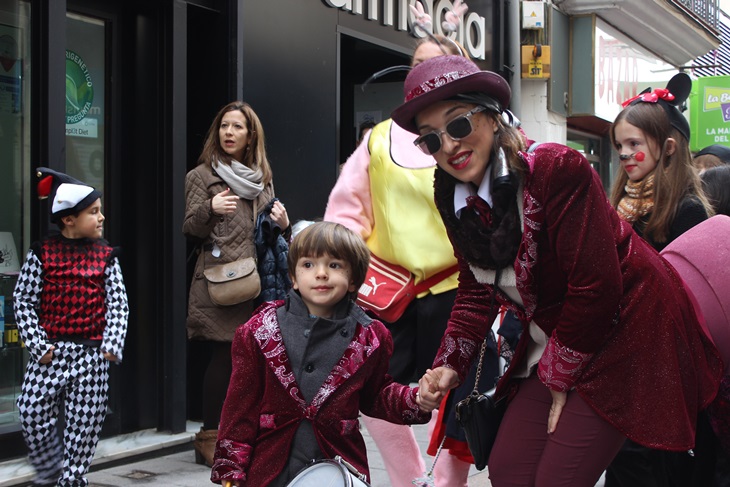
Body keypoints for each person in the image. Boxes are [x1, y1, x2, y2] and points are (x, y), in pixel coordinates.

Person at [392, 55, 723, 487]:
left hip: (629, 334)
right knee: (510, 469)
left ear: (493, 118)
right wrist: (447, 366)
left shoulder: (554, 167)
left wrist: (558, 378)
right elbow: (476, 290)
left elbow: (596, 288)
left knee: (559, 479)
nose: (449, 146)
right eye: (431, 140)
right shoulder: (451, 193)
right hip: (562, 339)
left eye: (457, 125)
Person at [324, 34, 487, 487]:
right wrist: (339, 269)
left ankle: (448, 482)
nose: (423, 74)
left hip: (460, 287)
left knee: (460, 397)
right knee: (371, 389)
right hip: (387, 290)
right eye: (416, 65)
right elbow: (347, 209)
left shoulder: (473, 132)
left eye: (435, 65)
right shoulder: (378, 139)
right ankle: (408, 477)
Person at [210, 221, 434, 486]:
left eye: (334, 265)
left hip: (338, 467)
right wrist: (231, 470)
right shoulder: (259, 332)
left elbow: (376, 395)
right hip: (270, 471)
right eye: (308, 264)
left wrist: (416, 399)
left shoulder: (369, 338)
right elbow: (239, 408)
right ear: (293, 277)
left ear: (353, 281)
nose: (321, 274)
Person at [604, 75, 717, 487]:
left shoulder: (687, 212)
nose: (625, 155)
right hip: (619, 363)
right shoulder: (616, 204)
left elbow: (687, 303)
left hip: (663, 372)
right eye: (620, 146)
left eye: (635, 144)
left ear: (668, 145)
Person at [183, 101, 290, 466]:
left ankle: (240, 434)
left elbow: (266, 234)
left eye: (237, 127)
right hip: (221, 282)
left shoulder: (261, 177)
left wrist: (283, 223)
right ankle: (208, 437)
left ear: (250, 136)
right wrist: (210, 209)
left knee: (252, 363)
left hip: (259, 282)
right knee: (223, 358)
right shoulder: (201, 176)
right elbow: (190, 229)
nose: (229, 133)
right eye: (224, 126)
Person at [14, 167, 129, 487]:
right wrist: (37, 345)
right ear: (68, 219)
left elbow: (119, 304)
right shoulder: (41, 253)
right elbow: (23, 300)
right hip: (50, 351)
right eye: (93, 212)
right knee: (30, 410)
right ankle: (49, 470)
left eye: (101, 210)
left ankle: (73, 478)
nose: (102, 217)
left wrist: (111, 343)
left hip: (92, 356)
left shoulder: (107, 257)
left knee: (85, 423)